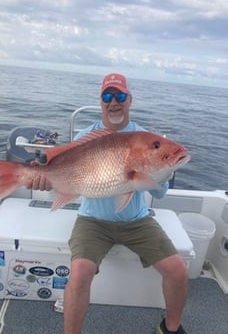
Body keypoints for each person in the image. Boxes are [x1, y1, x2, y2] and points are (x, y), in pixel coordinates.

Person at [30, 73, 188, 334]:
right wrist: (44, 180)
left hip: (136, 220)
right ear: (100, 101)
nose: (113, 102)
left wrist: (163, 174)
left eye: (120, 96)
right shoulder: (85, 135)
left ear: (130, 100)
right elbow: (65, 175)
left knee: (178, 269)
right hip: (92, 221)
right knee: (80, 273)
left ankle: (170, 328)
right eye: (107, 96)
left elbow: (159, 196)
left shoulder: (144, 138)